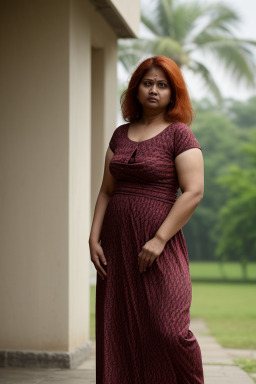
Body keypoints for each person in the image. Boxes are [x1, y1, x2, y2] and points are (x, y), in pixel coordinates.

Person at [89, 55, 204, 384]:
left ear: (173, 93)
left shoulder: (179, 135)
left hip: (160, 244)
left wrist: (159, 239)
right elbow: (106, 190)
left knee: (169, 330)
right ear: (136, 89)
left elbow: (193, 192)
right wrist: (93, 237)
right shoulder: (120, 135)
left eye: (163, 85)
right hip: (116, 244)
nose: (154, 90)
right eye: (148, 82)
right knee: (119, 330)